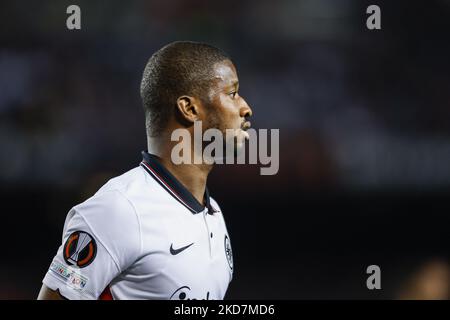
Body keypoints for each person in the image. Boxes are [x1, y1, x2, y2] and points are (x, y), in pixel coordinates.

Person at [37, 41, 253, 300]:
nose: (245, 108)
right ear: (190, 109)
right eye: (232, 93)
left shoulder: (213, 212)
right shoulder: (119, 210)